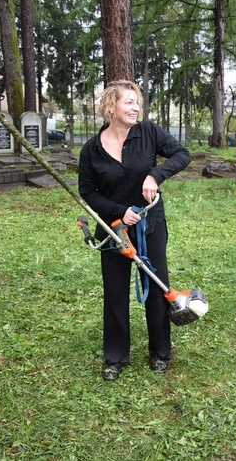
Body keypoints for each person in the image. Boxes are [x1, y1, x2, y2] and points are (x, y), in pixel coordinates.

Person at [78, 80, 192, 381]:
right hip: (114, 230)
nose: (136, 107)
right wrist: (119, 211)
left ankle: (160, 353)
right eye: (129, 102)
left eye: (137, 102)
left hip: (150, 224)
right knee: (115, 292)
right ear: (110, 106)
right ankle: (115, 357)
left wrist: (155, 175)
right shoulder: (92, 148)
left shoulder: (149, 133)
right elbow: (87, 192)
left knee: (157, 285)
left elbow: (182, 155)